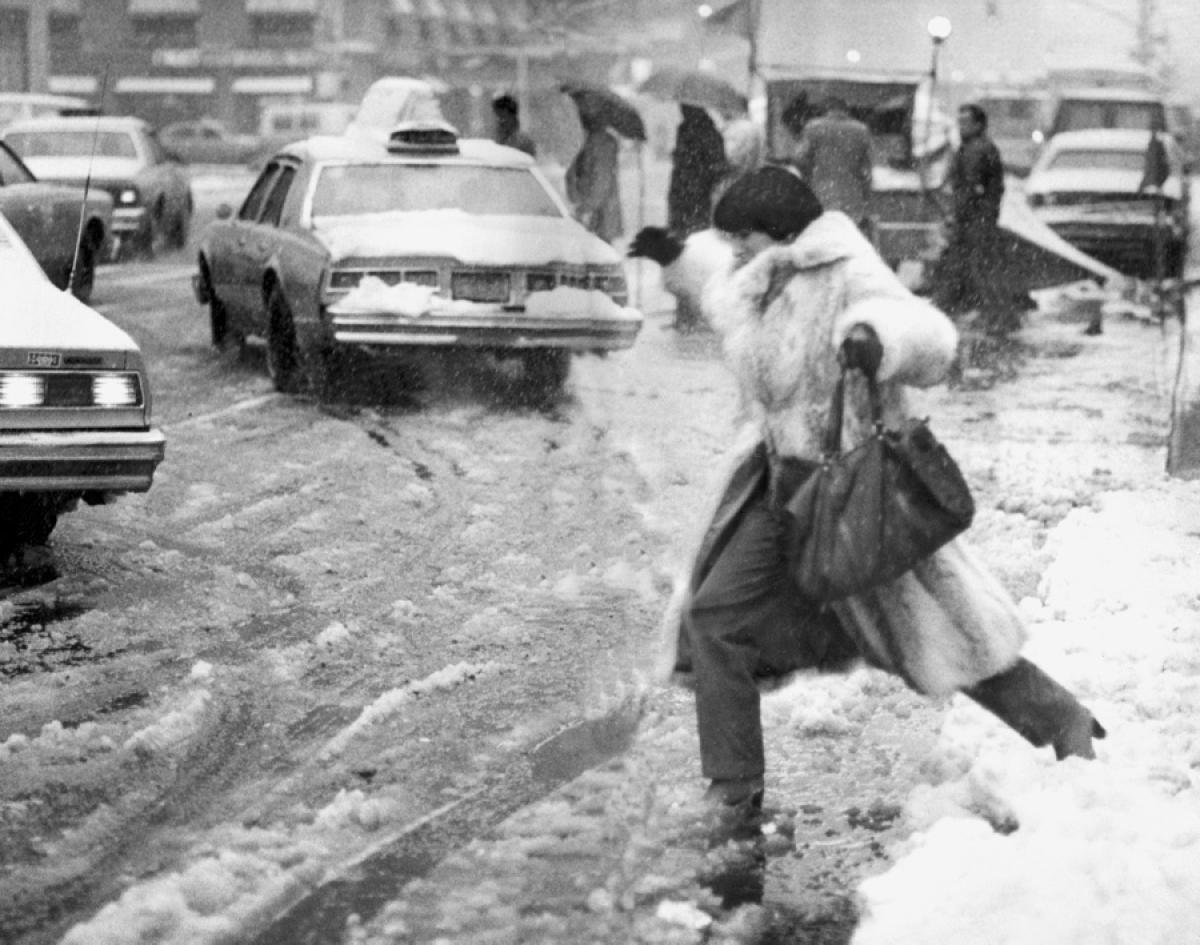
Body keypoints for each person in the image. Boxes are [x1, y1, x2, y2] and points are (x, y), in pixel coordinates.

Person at [660, 164, 1105, 815]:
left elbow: (925, 331)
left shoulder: (845, 266)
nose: (734, 252)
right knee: (714, 617)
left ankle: (1062, 718)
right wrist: (671, 253)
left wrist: (875, 339)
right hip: (776, 481)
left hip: (849, 486)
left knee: (938, 630)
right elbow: (714, 274)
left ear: (779, 232)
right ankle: (733, 786)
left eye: (743, 238)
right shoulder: (759, 277)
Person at [930, 103, 1013, 336]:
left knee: (979, 270)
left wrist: (957, 217)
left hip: (975, 221)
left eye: (965, 122)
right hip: (977, 220)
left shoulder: (976, 150)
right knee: (969, 268)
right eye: (959, 122)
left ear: (978, 124)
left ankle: (998, 318)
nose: (960, 127)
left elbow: (970, 189)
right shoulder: (974, 147)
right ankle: (988, 315)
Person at [793, 96, 874, 233]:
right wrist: (865, 195)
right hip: (852, 197)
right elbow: (867, 170)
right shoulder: (861, 130)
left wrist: (808, 176)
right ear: (846, 111)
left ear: (825, 110)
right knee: (848, 237)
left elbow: (799, 158)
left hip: (820, 193)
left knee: (822, 235)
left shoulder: (814, 128)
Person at [667, 103, 729, 239]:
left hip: (696, 190)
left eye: (686, 108)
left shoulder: (708, 133)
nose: (682, 111)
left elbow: (718, 164)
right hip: (685, 189)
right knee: (686, 230)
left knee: (694, 231)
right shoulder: (685, 129)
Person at [565, 100, 623, 244]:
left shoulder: (601, 144)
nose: (581, 117)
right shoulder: (592, 141)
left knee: (598, 256)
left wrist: (585, 208)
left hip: (598, 218)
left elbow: (601, 183)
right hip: (595, 216)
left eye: (584, 113)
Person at [491, 93, 536, 158]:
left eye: (503, 116)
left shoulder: (524, 143)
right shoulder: (491, 141)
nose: (500, 121)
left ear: (513, 117)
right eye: (497, 116)